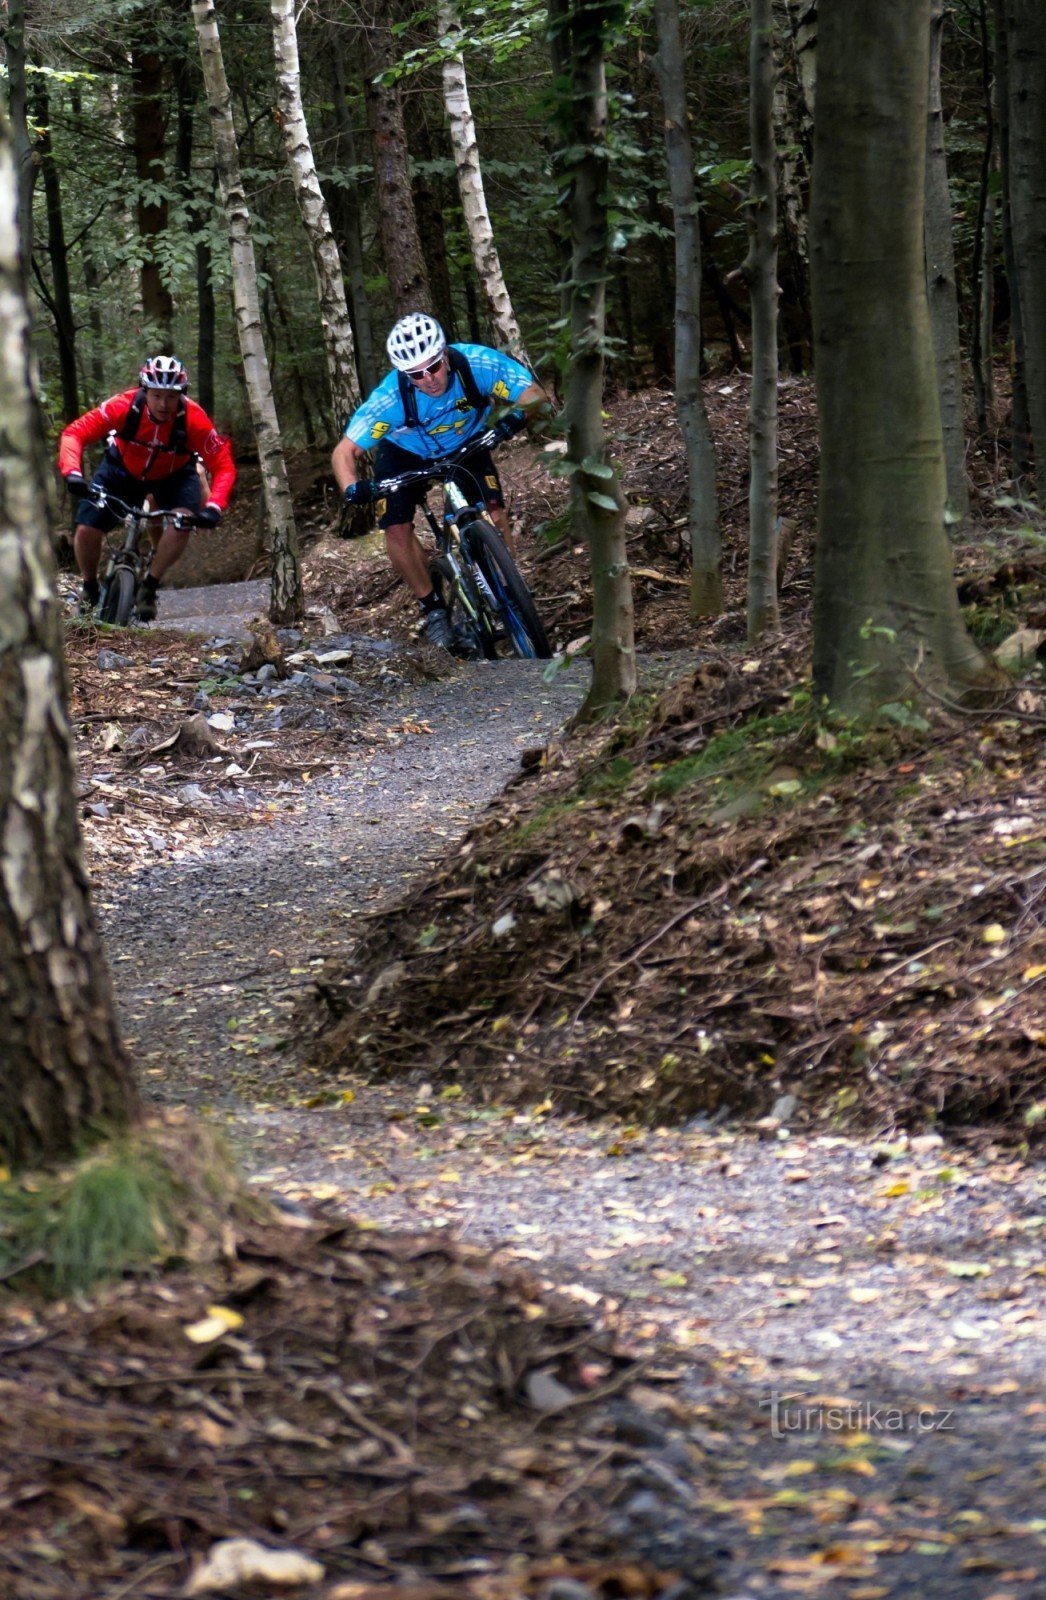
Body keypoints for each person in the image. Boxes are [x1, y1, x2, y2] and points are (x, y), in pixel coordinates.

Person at [331, 312, 547, 649]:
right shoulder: (390, 398)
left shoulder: (476, 363)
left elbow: (533, 393)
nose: (428, 378)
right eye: (416, 374)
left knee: (494, 511)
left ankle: (509, 585)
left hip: (468, 443)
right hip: (405, 452)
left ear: (444, 354)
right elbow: (345, 452)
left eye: (433, 366)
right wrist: (352, 488)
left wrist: (516, 419)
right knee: (396, 527)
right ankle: (432, 609)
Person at [58, 355, 236, 620]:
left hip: (174, 475)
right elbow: (75, 433)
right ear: (145, 391)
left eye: (171, 397)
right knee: (86, 528)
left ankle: (150, 585)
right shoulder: (123, 406)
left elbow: (223, 465)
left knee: (183, 521)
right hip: (121, 470)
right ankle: (89, 587)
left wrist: (214, 506)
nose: (163, 404)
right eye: (156, 395)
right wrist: (72, 472)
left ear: (181, 396)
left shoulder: (194, 420)